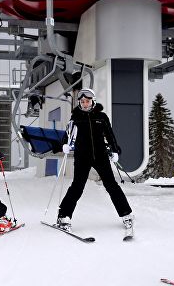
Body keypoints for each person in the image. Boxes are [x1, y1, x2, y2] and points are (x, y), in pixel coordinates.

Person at [57, 88, 133, 235]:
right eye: (83, 101)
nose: (85, 104)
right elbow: (68, 135)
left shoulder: (102, 117)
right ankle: (64, 216)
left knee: (111, 185)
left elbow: (110, 135)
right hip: (82, 156)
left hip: (100, 156)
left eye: (88, 101)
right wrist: (65, 144)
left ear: (93, 101)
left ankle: (126, 214)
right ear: (80, 102)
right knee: (77, 186)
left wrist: (115, 150)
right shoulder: (75, 118)